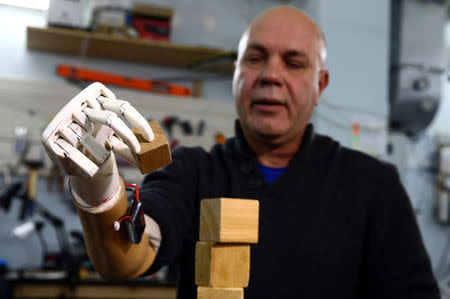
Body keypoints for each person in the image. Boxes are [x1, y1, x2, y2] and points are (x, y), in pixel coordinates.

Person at [41, 6, 440, 299]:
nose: (270, 75)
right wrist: (100, 189)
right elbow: (129, 258)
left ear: (320, 85)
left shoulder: (374, 185)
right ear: (235, 76)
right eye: (255, 58)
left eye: (294, 63)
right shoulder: (192, 170)